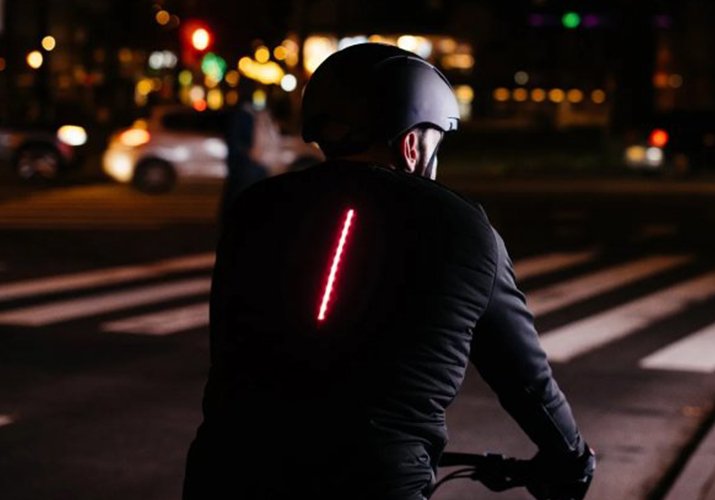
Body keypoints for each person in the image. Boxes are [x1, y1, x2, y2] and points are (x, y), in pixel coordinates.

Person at [183, 43, 595, 500]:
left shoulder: (256, 207)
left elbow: (228, 343)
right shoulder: (460, 227)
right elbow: (525, 379)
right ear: (413, 143)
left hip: (227, 469)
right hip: (373, 479)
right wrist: (572, 456)